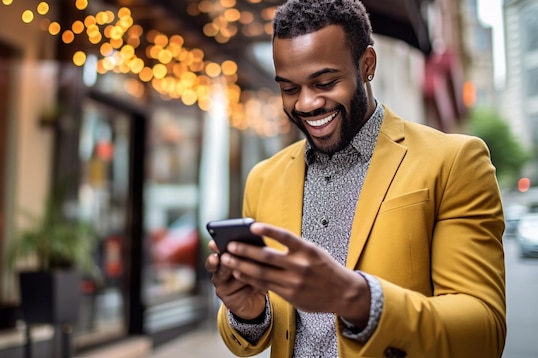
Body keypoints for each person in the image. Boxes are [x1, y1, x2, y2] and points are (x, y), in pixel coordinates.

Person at [204, 0, 507, 357]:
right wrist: (247, 312)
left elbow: (484, 331)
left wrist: (356, 297)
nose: (306, 104)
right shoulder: (263, 178)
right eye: (289, 88)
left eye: (325, 82)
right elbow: (259, 337)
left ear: (367, 65)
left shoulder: (455, 161)